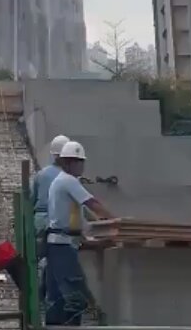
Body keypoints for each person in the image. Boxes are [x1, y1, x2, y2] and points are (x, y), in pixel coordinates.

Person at [46, 140, 114, 326]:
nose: (81, 166)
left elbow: (82, 218)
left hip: (61, 244)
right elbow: (92, 204)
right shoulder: (68, 181)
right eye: (78, 162)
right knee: (76, 299)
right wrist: (116, 223)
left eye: (81, 162)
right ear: (67, 163)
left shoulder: (62, 182)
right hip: (62, 246)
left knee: (57, 299)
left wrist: (97, 232)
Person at [32, 135, 69, 306]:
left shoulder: (41, 174)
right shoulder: (68, 178)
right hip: (56, 221)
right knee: (53, 259)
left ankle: (36, 297)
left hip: (39, 220)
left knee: (39, 258)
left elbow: (31, 199)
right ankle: (48, 299)